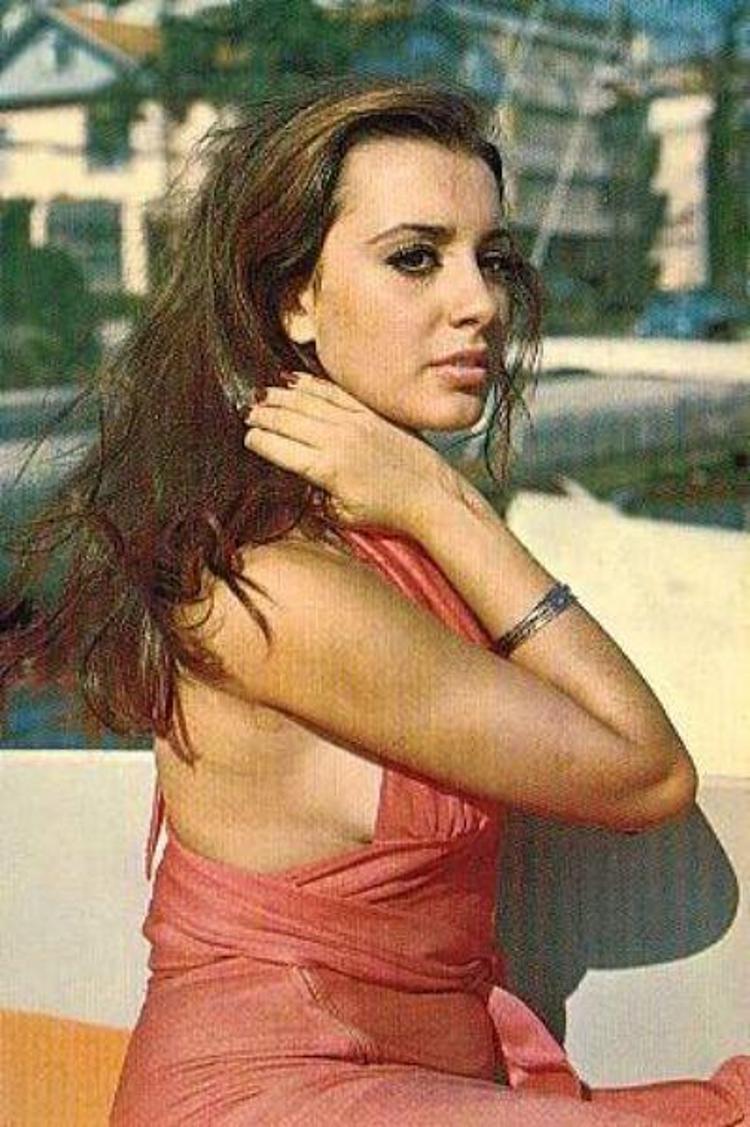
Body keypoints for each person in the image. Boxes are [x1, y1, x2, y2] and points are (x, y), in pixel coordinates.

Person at [1, 81, 746, 1125]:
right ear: (293, 300)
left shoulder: (371, 540)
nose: (480, 303)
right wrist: (444, 497)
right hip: (273, 1093)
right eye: (415, 258)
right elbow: (646, 771)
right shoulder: (271, 582)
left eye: (490, 258)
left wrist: (429, 506)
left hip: (427, 1081)